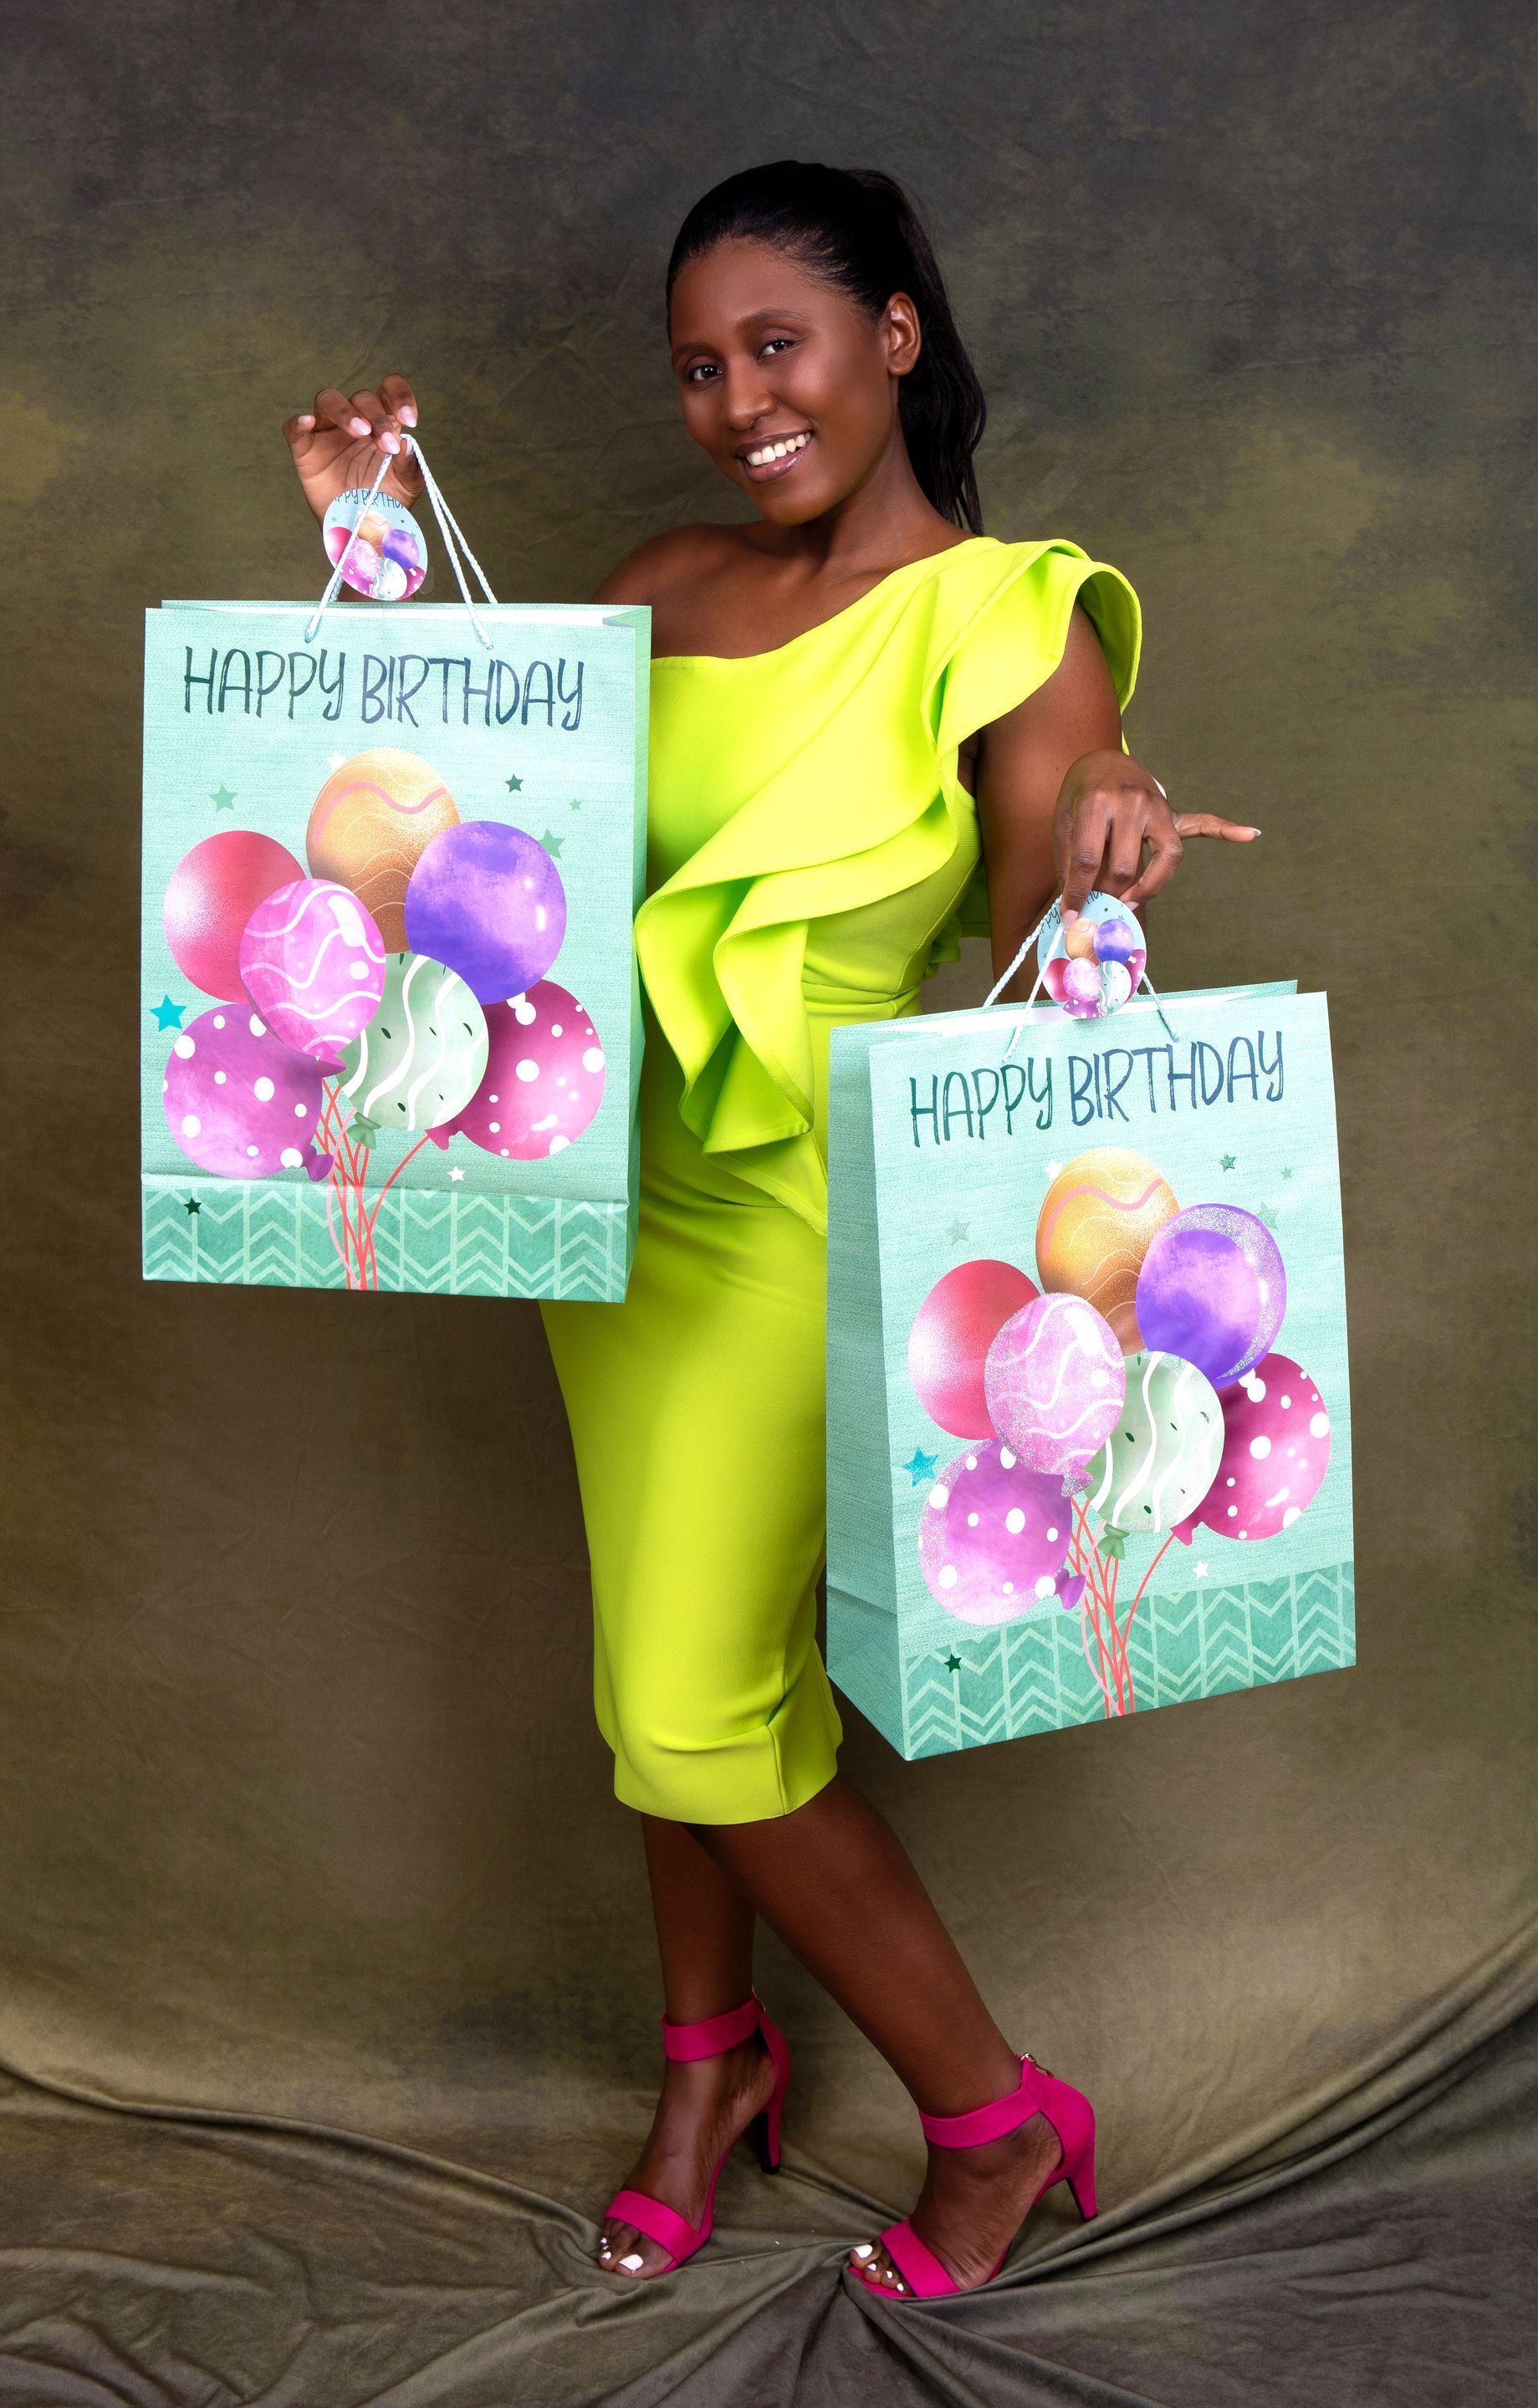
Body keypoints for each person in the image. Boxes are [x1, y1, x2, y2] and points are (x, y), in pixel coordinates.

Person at [283, 159, 1257, 2301]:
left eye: (778, 346)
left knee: (692, 1702)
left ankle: (999, 2119)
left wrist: (1106, 864)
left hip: (817, 1216)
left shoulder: (1013, 616)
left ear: (896, 334)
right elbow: (466, 799)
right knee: (675, 1667)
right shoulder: (664, 577)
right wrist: (365, 533)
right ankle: (712, 2068)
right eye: (701, 367)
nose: (736, 400)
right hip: (602, 1196)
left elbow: (1036, 985)